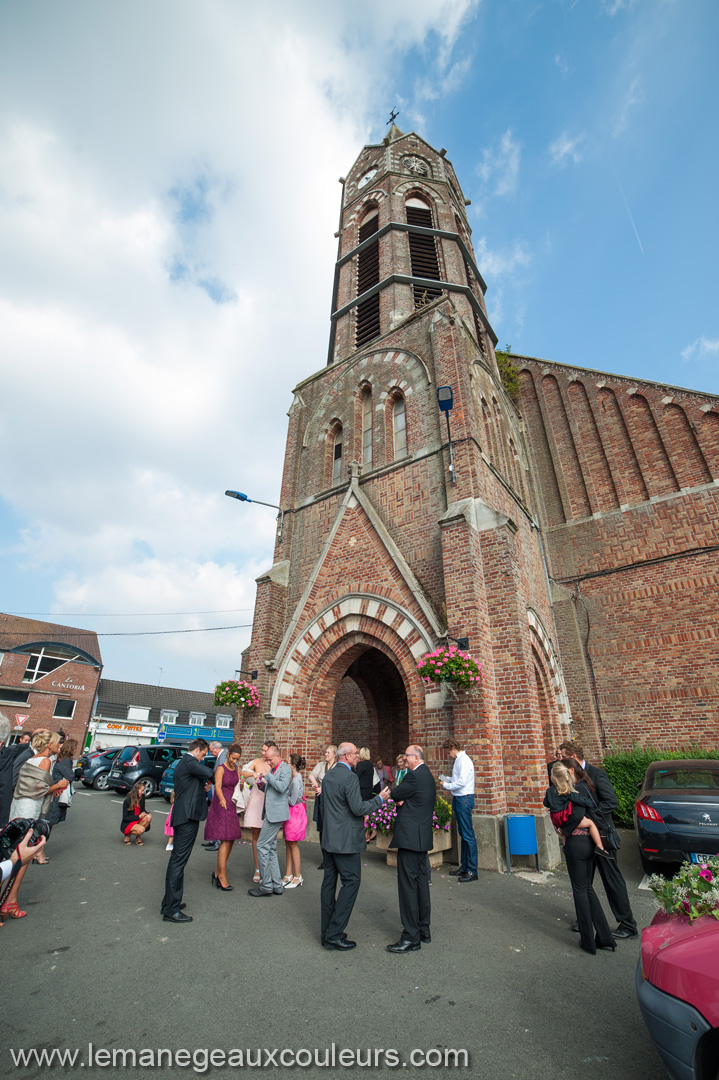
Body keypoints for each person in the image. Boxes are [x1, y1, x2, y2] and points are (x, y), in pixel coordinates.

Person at [559, 740, 638, 940]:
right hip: (583, 839)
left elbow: (611, 802)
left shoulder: (596, 774)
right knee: (583, 882)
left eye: (561, 756)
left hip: (601, 834)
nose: (558, 759)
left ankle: (627, 924)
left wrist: (589, 818)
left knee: (612, 879)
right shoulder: (569, 777)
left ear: (573, 758)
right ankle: (584, 919)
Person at [319, 742, 387, 950]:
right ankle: (335, 933)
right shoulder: (349, 777)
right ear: (347, 756)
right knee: (351, 882)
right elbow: (358, 808)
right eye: (356, 753)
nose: (358, 756)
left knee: (329, 883)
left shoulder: (329, 774)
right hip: (345, 840)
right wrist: (380, 800)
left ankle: (326, 930)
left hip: (329, 838)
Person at [547, 758, 616, 955]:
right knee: (588, 888)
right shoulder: (582, 790)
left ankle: (588, 941)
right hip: (589, 842)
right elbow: (591, 811)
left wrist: (564, 829)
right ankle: (604, 937)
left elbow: (561, 814)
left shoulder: (556, 794)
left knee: (579, 890)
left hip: (575, 842)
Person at [386, 745, 437, 952]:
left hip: (409, 837)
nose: (405, 759)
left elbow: (395, 792)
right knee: (421, 883)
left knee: (407, 886)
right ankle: (423, 928)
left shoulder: (413, 776)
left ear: (415, 758)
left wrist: (400, 798)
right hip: (421, 837)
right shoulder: (427, 775)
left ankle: (410, 936)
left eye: (407, 756)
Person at [161, 738, 214, 924]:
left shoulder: (187, 763)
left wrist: (203, 787)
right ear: (197, 750)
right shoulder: (190, 761)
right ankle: (172, 910)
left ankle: (169, 903)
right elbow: (210, 772)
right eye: (204, 754)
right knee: (178, 862)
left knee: (177, 860)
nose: (203, 758)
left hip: (184, 815)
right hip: (186, 818)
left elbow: (193, 785)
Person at [247, 744, 292, 897]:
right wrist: (260, 784)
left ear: (278, 756)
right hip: (271, 812)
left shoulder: (285, 769)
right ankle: (277, 885)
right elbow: (271, 789)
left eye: (270, 760)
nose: (268, 763)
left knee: (261, 845)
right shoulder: (274, 769)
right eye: (267, 760)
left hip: (276, 813)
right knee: (271, 848)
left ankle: (266, 885)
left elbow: (281, 787)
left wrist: (268, 775)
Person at [545, 764, 613, 859]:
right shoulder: (567, 792)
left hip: (556, 819)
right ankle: (600, 847)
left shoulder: (549, 791)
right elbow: (580, 800)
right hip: (564, 816)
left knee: (564, 834)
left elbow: (546, 803)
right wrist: (590, 803)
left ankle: (565, 847)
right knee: (590, 823)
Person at [204, 742, 243, 890]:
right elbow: (218, 786)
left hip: (232, 803)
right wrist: (221, 799)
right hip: (222, 804)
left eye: (237, 759)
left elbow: (238, 783)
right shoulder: (221, 768)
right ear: (228, 755)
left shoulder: (237, 768)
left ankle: (217, 872)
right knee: (225, 839)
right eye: (233, 758)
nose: (234, 761)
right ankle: (222, 877)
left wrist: (242, 783)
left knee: (231, 839)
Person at [440, 738, 478, 882]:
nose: (449, 755)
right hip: (459, 798)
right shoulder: (459, 760)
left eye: (449, 752)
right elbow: (458, 778)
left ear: (453, 748)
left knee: (468, 834)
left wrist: (446, 786)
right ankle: (465, 867)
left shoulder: (464, 760)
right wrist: (448, 779)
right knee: (463, 834)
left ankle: (472, 870)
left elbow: (461, 782)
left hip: (464, 798)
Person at [241, 742, 274, 881]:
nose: (262, 752)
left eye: (264, 750)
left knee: (269, 837)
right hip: (257, 799)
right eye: (261, 749)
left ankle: (270, 868)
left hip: (270, 800)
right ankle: (258, 868)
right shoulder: (256, 761)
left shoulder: (275, 763)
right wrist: (253, 774)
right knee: (256, 834)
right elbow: (242, 772)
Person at [308, 744, 337, 868]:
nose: (326, 754)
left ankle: (333, 859)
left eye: (328, 753)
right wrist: (314, 782)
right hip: (321, 800)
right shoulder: (321, 765)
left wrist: (323, 788)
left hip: (331, 800)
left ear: (335, 755)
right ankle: (325, 859)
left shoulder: (337, 767)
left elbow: (336, 784)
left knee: (330, 829)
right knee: (322, 828)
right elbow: (311, 774)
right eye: (325, 752)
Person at [282, 754, 307, 889]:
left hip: (295, 812)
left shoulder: (296, 780)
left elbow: (292, 801)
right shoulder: (294, 778)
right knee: (288, 842)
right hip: (292, 812)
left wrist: (282, 793)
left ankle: (298, 876)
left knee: (293, 843)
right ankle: (288, 874)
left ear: (292, 765)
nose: (286, 764)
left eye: (288, 762)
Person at [44, 738, 77, 830]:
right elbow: (70, 776)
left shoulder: (62, 759)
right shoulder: (65, 761)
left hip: (57, 792)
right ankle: (41, 842)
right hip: (57, 793)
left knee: (49, 821)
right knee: (49, 822)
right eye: (75, 748)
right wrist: (76, 772)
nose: (76, 750)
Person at [356, 746, 379, 841]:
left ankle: (365, 835)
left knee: (362, 812)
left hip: (362, 790)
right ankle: (369, 832)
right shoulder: (370, 765)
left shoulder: (360, 765)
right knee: (367, 812)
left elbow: (357, 777)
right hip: (369, 789)